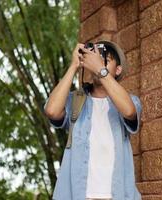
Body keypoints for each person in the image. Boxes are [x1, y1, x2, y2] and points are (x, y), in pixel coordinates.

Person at [43, 40, 142, 200]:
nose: (98, 63)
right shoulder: (75, 101)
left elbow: (129, 111)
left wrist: (100, 70)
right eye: (95, 58)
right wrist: (74, 65)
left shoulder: (130, 101)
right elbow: (52, 110)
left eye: (105, 60)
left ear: (118, 70)